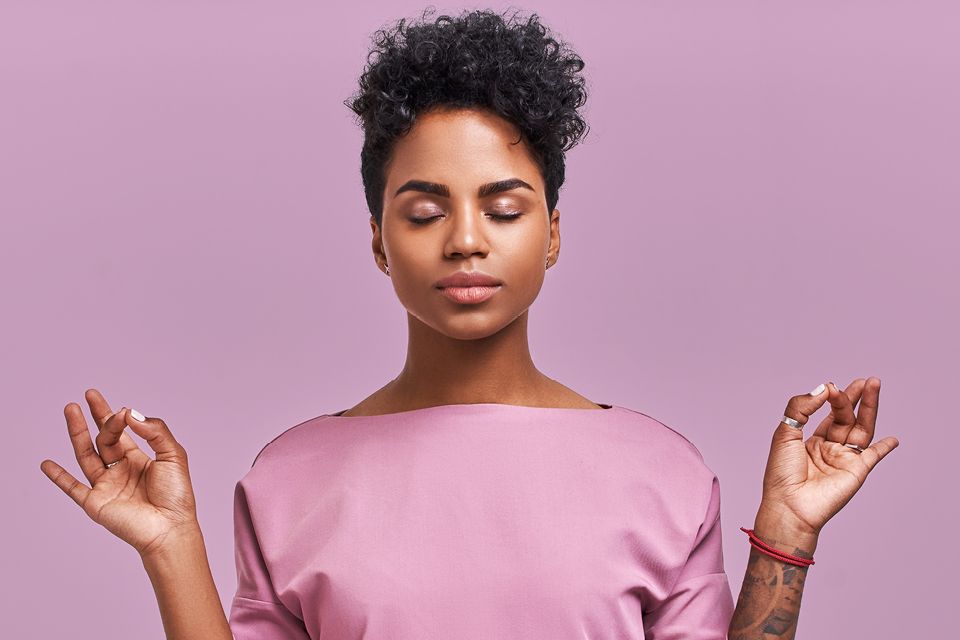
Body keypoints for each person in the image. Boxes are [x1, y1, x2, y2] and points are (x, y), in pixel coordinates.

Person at [39, 7, 900, 640]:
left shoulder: (663, 472)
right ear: (379, 242)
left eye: (504, 207)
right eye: (423, 211)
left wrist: (785, 531)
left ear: (554, 233)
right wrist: (172, 546)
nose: (464, 240)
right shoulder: (288, 478)